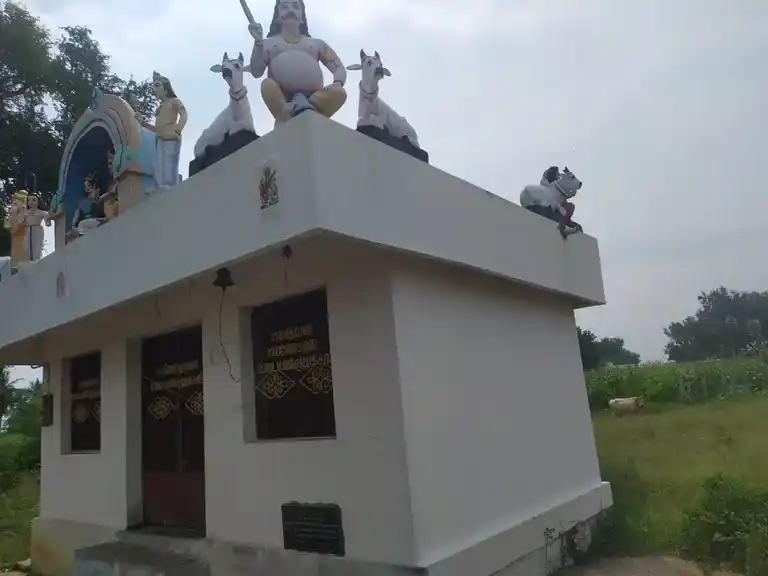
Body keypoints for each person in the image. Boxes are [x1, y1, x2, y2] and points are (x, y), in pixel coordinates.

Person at [248, 0, 347, 124]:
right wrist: (258, 43)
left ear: (302, 17)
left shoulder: (317, 44)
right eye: (284, 7)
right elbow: (256, 72)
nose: (290, 10)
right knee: (266, 84)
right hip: (282, 98)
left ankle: (308, 107)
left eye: (295, 6)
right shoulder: (267, 43)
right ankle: (286, 111)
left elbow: (338, 67)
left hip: (317, 99)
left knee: (339, 92)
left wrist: (337, 82)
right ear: (278, 17)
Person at [136, 72, 187, 190]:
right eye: (154, 86)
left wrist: (178, 129)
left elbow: (184, 114)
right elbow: (157, 129)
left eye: (157, 85)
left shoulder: (174, 101)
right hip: (160, 139)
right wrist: (143, 123)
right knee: (159, 166)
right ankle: (160, 186)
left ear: (166, 88)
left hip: (171, 137)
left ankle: (169, 186)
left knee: (169, 164)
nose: (155, 89)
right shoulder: (160, 108)